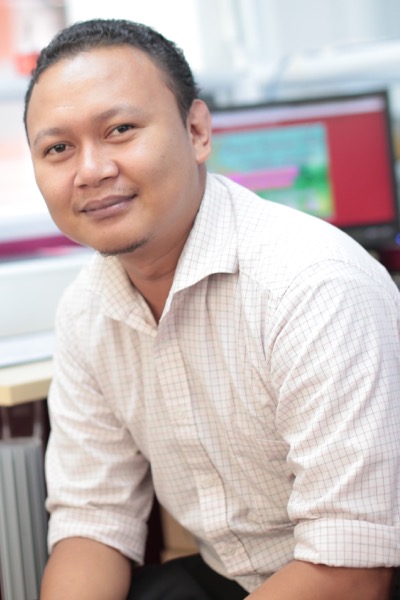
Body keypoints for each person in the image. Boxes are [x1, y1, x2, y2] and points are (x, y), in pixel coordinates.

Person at [23, 17, 400, 600]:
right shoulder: (86, 311)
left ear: (197, 131)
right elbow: (92, 522)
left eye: (120, 129)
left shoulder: (312, 285)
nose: (91, 170)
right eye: (58, 148)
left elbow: (353, 569)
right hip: (233, 576)